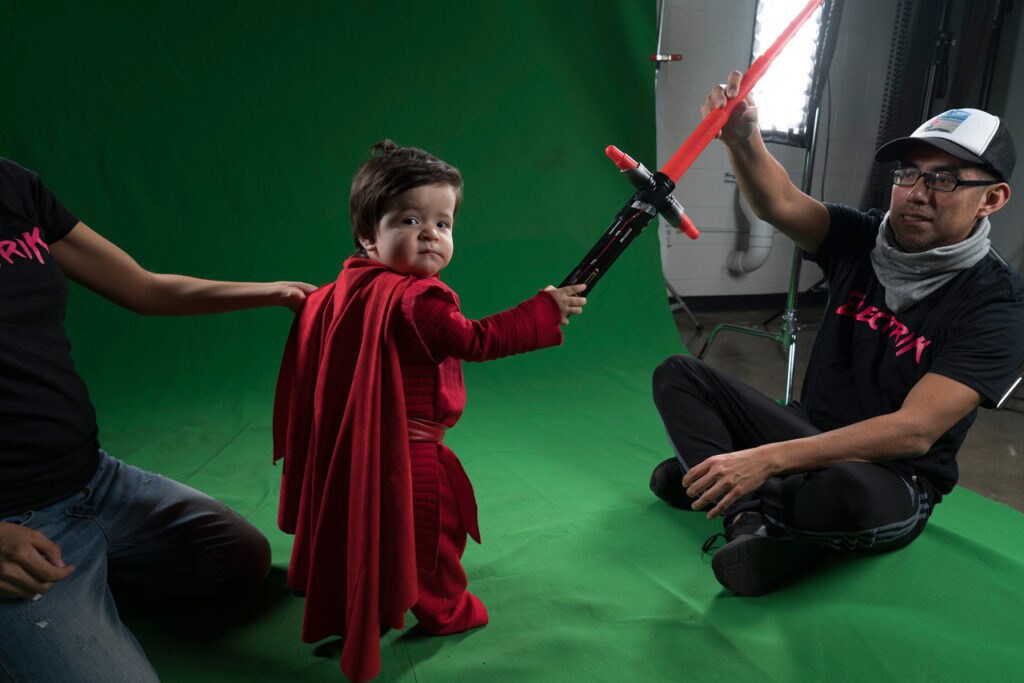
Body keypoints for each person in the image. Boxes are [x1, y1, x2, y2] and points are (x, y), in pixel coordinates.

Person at [649, 70, 1024, 597]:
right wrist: (741, 136)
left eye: (944, 180)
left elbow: (915, 430)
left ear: (992, 199)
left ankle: (747, 487)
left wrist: (767, 458)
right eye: (908, 174)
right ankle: (752, 519)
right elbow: (779, 203)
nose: (917, 194)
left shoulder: (998, 302)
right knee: (679, 375)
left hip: (891, 476)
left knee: (840, 492)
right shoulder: (862, 237)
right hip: (806, 430)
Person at [272, 140, 587, 682]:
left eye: (443, 223)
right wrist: (543, 310)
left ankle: (362, 602)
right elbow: (475, 340)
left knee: (365, 527)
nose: (429, 234)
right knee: (432, 535)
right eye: (410, 219)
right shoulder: (417, 299)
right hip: (407, 452)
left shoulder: (342, 290)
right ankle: (445, 611)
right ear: (368, 235)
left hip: (358, 447)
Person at [0, 155, 317, 681]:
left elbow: (143, 288)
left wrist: (278, 293)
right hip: (11, 525)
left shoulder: (13, 186)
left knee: (240, 560)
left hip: (93, 481)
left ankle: (83, 588)